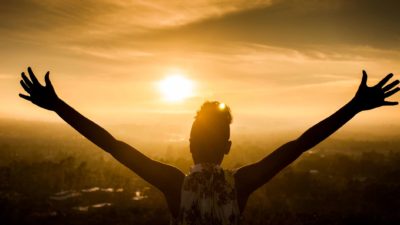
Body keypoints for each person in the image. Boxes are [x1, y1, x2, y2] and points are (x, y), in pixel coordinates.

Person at [19, 67, 399, 225]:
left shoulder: (173, 183)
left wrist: (57, 106)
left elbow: (112, 146)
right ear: (229, 147)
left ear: (188, 143)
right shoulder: (242, 184)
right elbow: (299, 145)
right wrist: (354, 106)